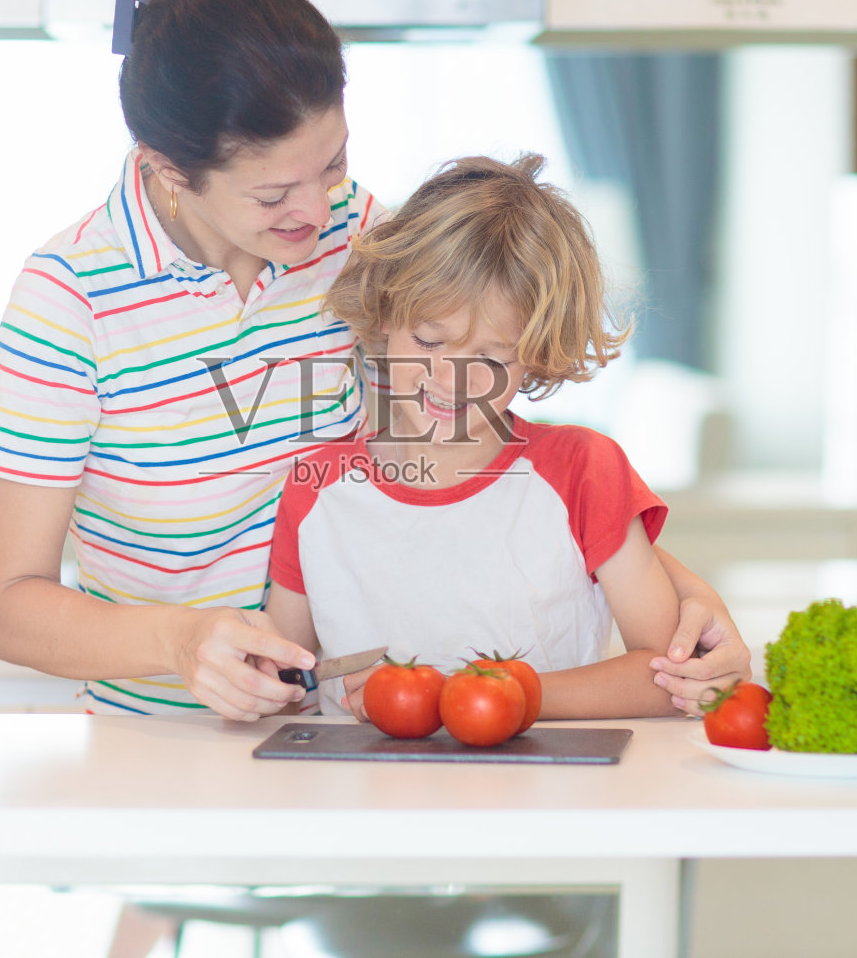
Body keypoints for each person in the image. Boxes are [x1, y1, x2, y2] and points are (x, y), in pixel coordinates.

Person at [0, 0, 750, 724]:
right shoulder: (70, 298)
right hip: (167, 735)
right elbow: (8, 606)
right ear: (169, 169)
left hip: (357, 723)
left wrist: (679, 594)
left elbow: (484, 445)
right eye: (274, 194)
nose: (317, 211)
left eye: (334, 161)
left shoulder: (355, 231)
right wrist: (179, 641)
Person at [266, 153, 695, 719]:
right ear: (384, 317)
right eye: (428, 341)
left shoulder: (582, 469)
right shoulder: (317, 489)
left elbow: (670, 674)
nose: (450, 378)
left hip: (542, 800)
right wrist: (271, 682)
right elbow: (283, 674)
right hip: (359, 800)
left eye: (490, 357)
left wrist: (471, 696)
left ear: (534, 356)